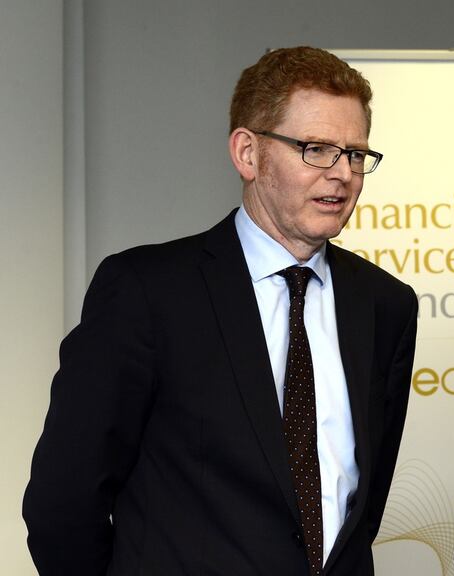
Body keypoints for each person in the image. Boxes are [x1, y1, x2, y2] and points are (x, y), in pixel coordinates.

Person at [24, 46, 417, 576]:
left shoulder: (385, 304)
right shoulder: (147, 292)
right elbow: (65, 499)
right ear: (248, 154)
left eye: (355, 154)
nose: (343, 174)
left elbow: (358, 508)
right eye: (316, 149)